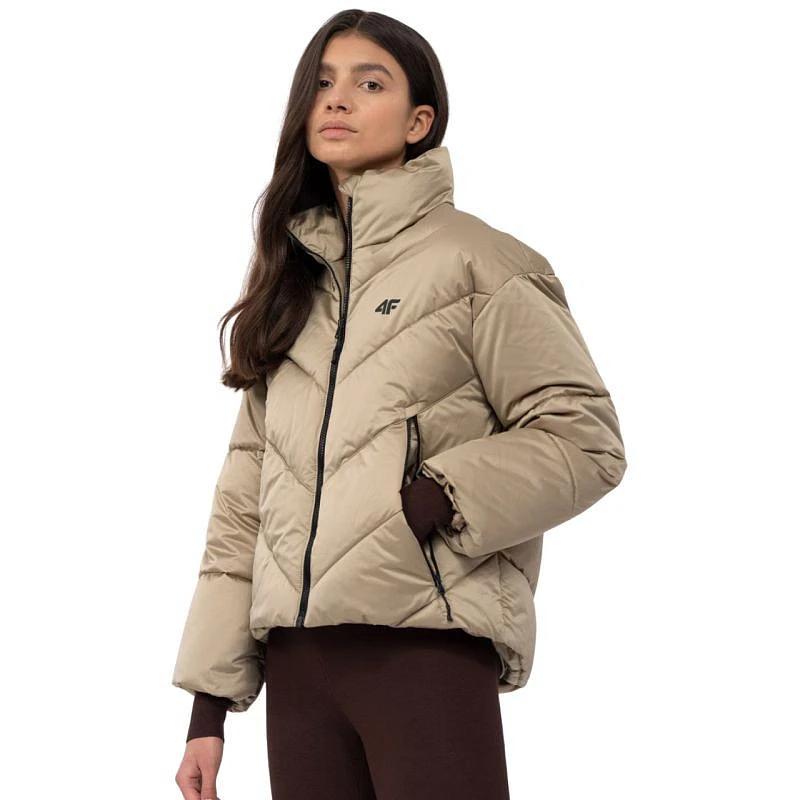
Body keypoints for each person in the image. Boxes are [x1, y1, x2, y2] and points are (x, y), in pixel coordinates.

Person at [172, 9, 627, 800]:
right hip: (299, 671)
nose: (337, 99)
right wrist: (208, 708)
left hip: (424, 649)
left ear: (420, 121)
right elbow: (245, 503)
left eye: (369, 82)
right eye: (322, 82)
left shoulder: (481, 263)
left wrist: (440, 497)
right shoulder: (295, 287)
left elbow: (585, 441)